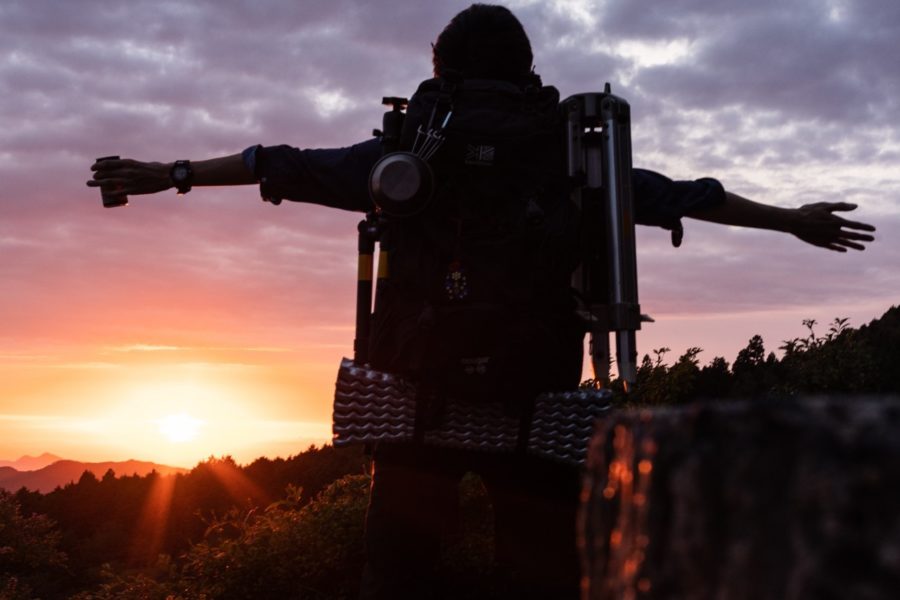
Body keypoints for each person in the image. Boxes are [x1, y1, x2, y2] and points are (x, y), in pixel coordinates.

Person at [87, 5, 875, 598]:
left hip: (411, 400)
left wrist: (171, 172)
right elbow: (690, 197)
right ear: (527, 68)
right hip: (539, 400)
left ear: (442, 65)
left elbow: (280, 163)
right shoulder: (575, 159)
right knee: (539, 577)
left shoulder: (412, 148)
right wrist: (793, 221)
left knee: (400, 575)